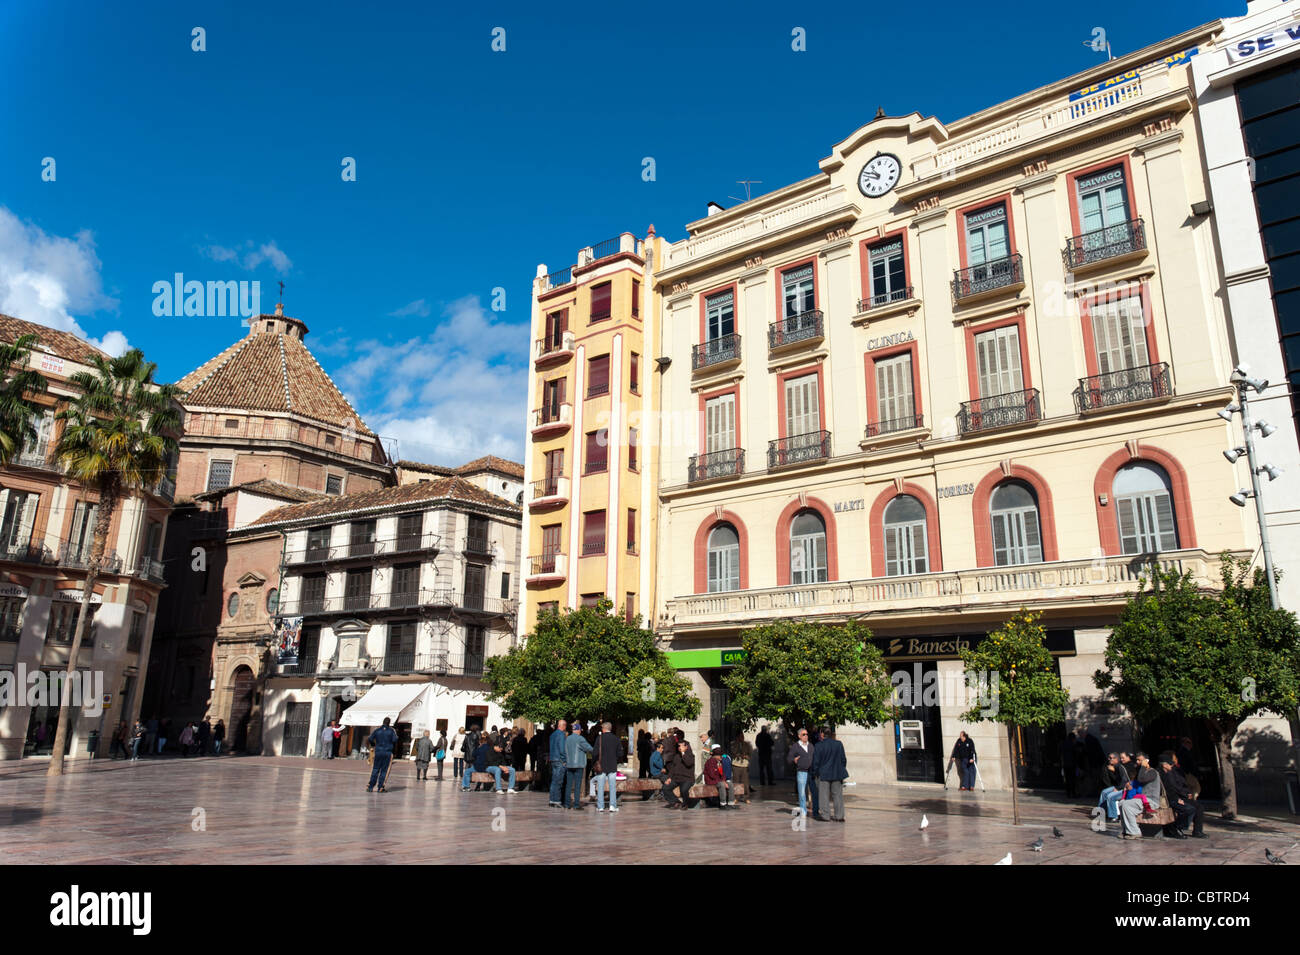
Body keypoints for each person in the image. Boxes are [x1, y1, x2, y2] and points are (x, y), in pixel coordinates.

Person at [1160, 752, 1205, 839]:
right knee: (1189, 809)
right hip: (1174, 798)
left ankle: (1197, 831)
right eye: (1171, 761)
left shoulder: (1174, 770)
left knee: (1198, 807)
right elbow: (1173, 787)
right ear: (1165, 764)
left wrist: (1187, 793)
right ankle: (1175, 828)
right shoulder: (1165, 774)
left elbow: (1181, 784)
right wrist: (1179, 797)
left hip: (1180, 796)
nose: (1173, 763)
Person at [1118, 753, 1162, 840]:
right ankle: (1126, 830)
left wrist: (1143, 766)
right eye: (1137, 760)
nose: (1138, 762)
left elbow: (1141, 779)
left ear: (1146, 761)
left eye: (1140, 760)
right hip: (1141, 799)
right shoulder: (1142, 772)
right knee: (1121, 803)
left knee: (1126, 805)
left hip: (1151, 801)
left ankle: (1134, 832)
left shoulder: (1152, 772)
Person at [592, 721, 621, 812]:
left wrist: (594, 762)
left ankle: (600, 806)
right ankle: (612, 805)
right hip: (612, 765)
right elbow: (620, 753)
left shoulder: (599, 738)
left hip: (601, 765)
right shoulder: (616, 739)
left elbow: (595, 752)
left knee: (600, 786)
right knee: (612, 787)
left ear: (603, 729)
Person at [1093, 753, 1130, 824]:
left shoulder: (1120, 767)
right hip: (1118, 786)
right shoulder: (1111, 766)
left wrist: (1118, 788)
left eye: (1112, 758)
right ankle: (1101, 813)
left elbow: (1125, 780)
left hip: (1124, 788)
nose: (1110, 759)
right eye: (1109, 758)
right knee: (1104, 792)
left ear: (1116, 759)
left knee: (1110, 796)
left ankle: (1114, 816)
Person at [564, 723, 594, 809]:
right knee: (577, 785)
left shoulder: (567, 739)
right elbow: (589, 748)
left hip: (569, 764)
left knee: (568, 785)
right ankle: (576, 805)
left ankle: (567, 804)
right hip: (578, 765)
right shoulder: (580, 739)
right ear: (578, 730)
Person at [367, 717, 398, 793]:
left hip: (378, 751)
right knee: (384, 770)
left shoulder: (377, 730)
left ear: (383, 722)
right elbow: (395, 740)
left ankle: (370, 786)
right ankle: (380, 787)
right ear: (389, 723)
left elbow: (370, 738)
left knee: (375, 769)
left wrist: (373, 744)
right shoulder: (391, 731)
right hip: (387, 752)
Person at [663, 738, 695, 810]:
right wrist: (669, 778)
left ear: (686, 747)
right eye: (679, 746)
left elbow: (688, 763)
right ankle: (675, 802)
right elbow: (673, 769)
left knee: (683, 790)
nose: (680, 747)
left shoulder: (691, 755)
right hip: (677, 778)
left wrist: (683, 753)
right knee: (666, 787)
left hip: (687, 779)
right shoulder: (676, 756)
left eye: (681, 746)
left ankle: (685, 804)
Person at [789, 727, 815, 816]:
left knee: (813, 791)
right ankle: (803, 810)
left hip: (811, 772)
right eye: (804, 734)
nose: (806, 736)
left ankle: (814, 809)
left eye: (807, 734)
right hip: (802, 772)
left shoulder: (810, 746)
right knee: (802, 792)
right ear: (799, 736)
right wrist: (794, 760)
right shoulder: (795, 746)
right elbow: (789, 758)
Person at [548, 720, 569, 807]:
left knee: (554, 780)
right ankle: (557, 800)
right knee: (559, 781)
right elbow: (562, 749)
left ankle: (552, 799)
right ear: (563, 726)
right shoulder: (561, 734)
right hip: (559, 760)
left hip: (553, 759)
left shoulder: (553, 734)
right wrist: (564, 760)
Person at [704, 744, 731, 809]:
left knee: (730, 784)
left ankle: (731, 802)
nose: (722, 757)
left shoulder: (719, 762)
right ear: (715, 756)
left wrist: (724, 780)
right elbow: (712, 775)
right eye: (720, 756)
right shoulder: (710, 762)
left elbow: (722, 773)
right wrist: (722, 781)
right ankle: (723, 804)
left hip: (718, 780)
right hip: (711, 781)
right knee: (722, 785)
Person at [730, 731, 752, 804]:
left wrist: (746, 756)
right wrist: (737, 745)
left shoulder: (746, 744)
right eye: (740, 736)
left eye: (742, 736)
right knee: (736, 782)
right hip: (736, 765)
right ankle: (736, 797)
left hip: (744, 765)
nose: (742, 738)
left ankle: (746, 797)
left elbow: (749, 753)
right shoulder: (733, 744)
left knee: (745, 782)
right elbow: (733, 752)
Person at [1060, 731, 1078, 797]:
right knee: (1073, 779)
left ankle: (1068, 793)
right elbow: (1075, 754)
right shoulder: (1072, 744)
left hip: (1065, 764)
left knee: (1067, 779)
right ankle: (1073, 793)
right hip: (1072, 764)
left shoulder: (1063, 744)